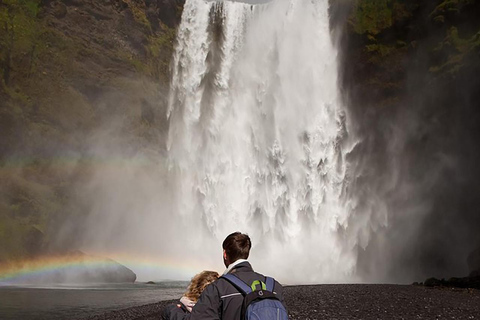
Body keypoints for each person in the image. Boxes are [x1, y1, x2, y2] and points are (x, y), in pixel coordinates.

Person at [165, 232, 288, 320]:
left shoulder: (217, 288)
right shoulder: (274, 286)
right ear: (247, 253)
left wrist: (171, 311)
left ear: (225, 254)